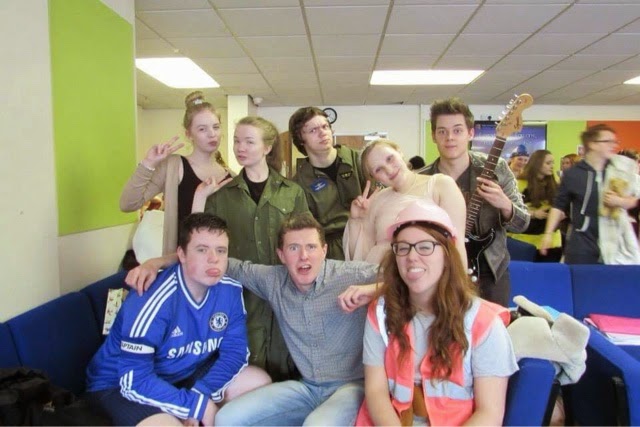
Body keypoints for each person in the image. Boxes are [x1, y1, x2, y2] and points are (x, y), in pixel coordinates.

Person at [126, 212, 381, 426]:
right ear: (281, 254)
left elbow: (399, 275)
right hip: (307, 387)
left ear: (324, 250)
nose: (304, 255)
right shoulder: (273, 280)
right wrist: (156, 262)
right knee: (226, 418)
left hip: (351, 386)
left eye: (311, 247)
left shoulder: (351, 274)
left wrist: (372, 290)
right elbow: (215, 259)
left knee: (316, 425)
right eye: (294, 248)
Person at [85, 213, 271, 427]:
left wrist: (200, 393)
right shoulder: (151, 298)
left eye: (221, 250)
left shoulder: (230, 290)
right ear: (181, 254)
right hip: (118, 384)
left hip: (184, 373)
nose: (214, 258)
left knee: (258, 382)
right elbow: (135, 380)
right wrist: (196, 406)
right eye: (202, 250)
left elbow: (235, 353)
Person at [357, 200, 517, 426]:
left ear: (447, 254)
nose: (411, 257)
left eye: (425, 247)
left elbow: (489, 414)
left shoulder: (484, 323)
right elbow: (376, 393)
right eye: (403, 248)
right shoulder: (381, 312)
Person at [192, 116, 310, 382]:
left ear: (267, 147)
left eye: (248, 142)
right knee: (245, 363)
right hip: (240, 294)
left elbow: (304, 241)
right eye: (236, 141)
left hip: (285, 292)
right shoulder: (222, 195)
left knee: (289, 364)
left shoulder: (292, 192)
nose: (240, 148)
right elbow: (201, 241)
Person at [423, 97, 530, 307]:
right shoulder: (423, 179)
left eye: (457, 130)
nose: (450, 138)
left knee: (493, 325)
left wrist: (504, 204)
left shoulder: (497, 169)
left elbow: (523, 223)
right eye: (442, 131)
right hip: (440, 272)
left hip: (491, 272)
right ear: (433, 136)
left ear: (470, 133)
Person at [119, 91, 232, 255]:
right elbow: (128, 204)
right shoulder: (173, 166)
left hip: (222, 263)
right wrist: (148, 164)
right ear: (189, 134)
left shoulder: (231, 176)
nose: (212, 134)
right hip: (181, 262)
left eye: (216, 127)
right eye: (202, 129)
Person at [343, 139, 467, 269]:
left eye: (390, 159)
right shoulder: (377, 200)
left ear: (399, 152)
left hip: (423, 273)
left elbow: (456, 245)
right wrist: (357, 220)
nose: (389, 170)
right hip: (378, 274)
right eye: (378, 169)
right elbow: (359, 260)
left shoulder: (441, 185)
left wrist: (459, 280)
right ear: (374, 177)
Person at [541, 124, 640, 264]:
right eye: (607, 141)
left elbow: (636, 198)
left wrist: (622, 202)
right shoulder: (573, 174)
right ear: (592, 144)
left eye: (614, 142)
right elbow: (558, 206)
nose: (613, 145)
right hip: (581, 244)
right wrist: (548, 234)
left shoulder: (620, 170)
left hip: (614, 243)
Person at [289, 106, 367, 260]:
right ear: (300, 139)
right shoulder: (298, 183)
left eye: (325, 126)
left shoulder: (360, 160)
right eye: (313, 130)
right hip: (331, 251)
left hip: (367, 238)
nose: (322, 133)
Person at [509, 150, 562, 262]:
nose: (552, 166)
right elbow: (509, 209)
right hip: (525, 241)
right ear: (537, 163)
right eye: (548, 163)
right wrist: (533, 214)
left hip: (551, 241)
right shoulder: (520, 184)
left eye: (553, 163)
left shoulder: (555, 185)